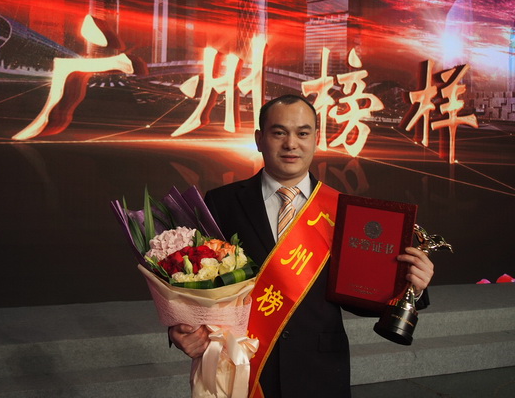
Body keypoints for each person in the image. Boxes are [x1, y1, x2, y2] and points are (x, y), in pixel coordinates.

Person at [169, 94, 434, 397]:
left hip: (319, 369)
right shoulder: (222, 202)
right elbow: (193, 277)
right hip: (243, 364)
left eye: (303, 133)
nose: (291, 144)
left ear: (316, 139)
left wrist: (411, 287)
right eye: (279, 133)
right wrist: (181, 327)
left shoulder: (344, 210)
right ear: (259, 139)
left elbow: (360, 297)